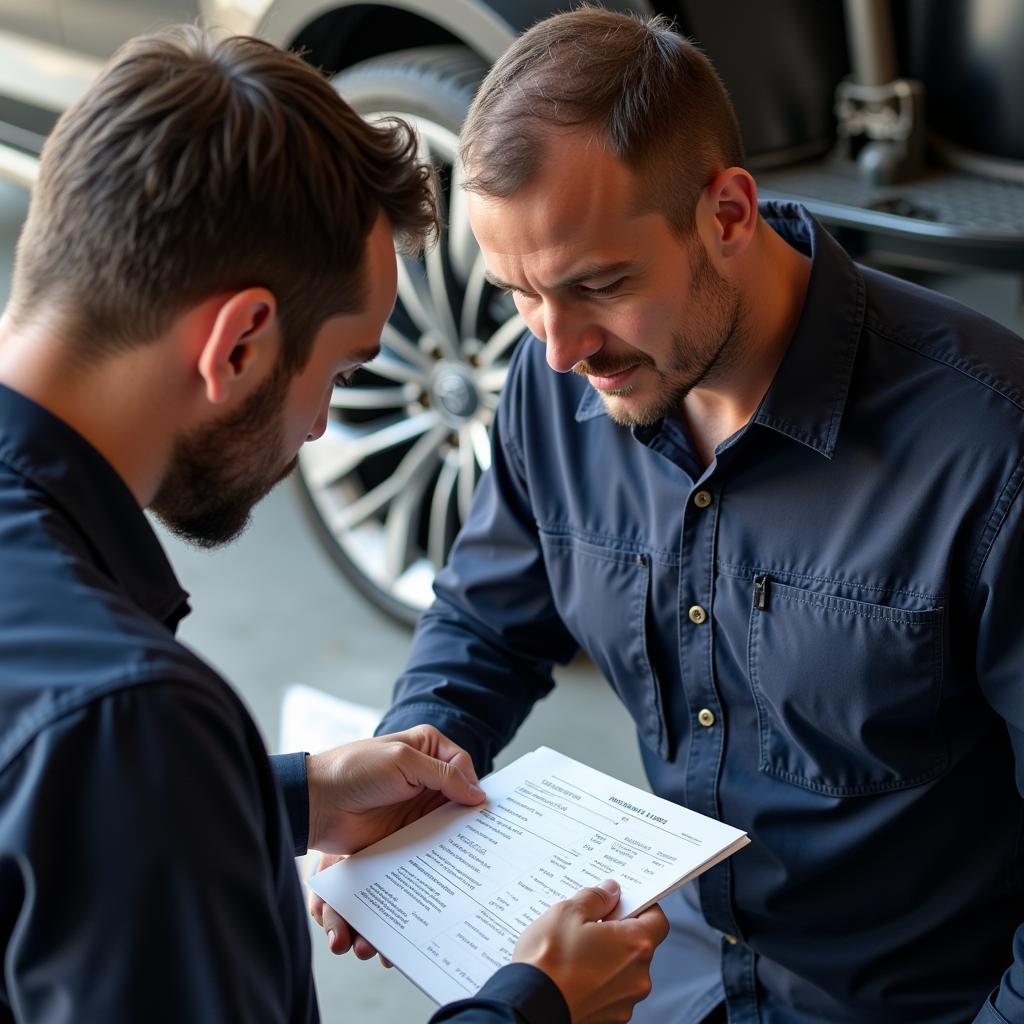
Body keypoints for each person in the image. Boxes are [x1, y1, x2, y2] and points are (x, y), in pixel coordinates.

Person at [311, 8, 1024, 1024]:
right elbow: (484, 623)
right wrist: (417, 754)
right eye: (520, 294)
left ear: (728, 212)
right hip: (666, 980)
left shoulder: (991, 449)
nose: (558, 348)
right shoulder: (552, 385)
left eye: (597, 285)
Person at [0, 25, 670, 1024]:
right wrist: (535, 1007)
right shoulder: (129, 721)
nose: (321, 426)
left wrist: (274, 794)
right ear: (241, 343)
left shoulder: (115, 736)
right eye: (344, 371)